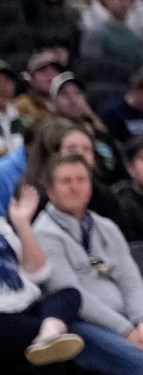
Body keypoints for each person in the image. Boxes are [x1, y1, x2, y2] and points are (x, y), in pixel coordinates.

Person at [34, 153, 143, 375]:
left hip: (129, 323)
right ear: (50, 190)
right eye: (65, 181)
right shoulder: (43, 233)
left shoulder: (105, 226)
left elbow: (131, 280)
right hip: (82, 326)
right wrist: (126, 331)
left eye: (81, 180)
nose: (75, 187)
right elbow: (70, 294)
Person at [0, 143, 86, 367]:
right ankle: (47, 334)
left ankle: (48, 333)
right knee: (54, 355)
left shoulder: (2, 225)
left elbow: (39, 273)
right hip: (4, 316)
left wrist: (22, 224)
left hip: (24, 306)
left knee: (68, 295)